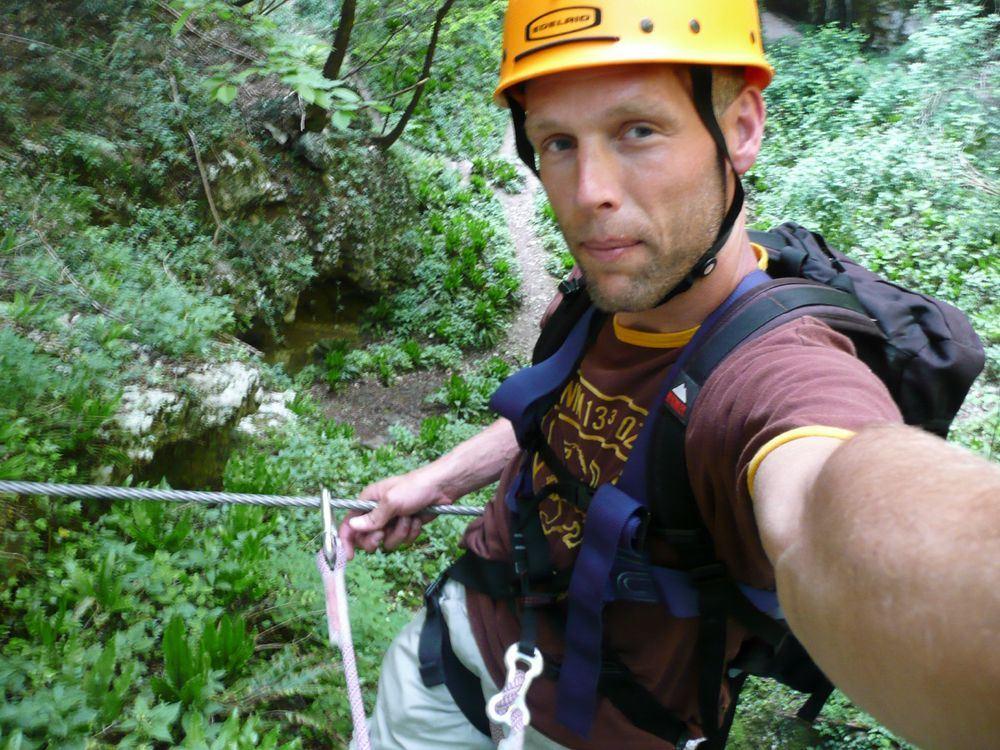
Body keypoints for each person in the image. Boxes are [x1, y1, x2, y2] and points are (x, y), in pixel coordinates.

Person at [340, 1, 1000, 748]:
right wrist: (442, 478)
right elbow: (565, 406)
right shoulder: (603, 296)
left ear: (742, 128)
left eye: (638, 131)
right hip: (453, 656)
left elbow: (826, 500)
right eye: (557, 141)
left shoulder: (781, 376)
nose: (589, 193)